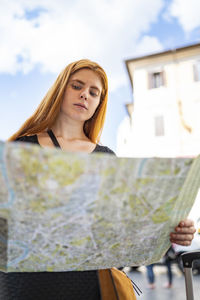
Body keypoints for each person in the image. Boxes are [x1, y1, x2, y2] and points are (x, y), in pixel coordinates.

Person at [2, 59, 195, 299]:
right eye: (77, 86)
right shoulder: (22, 146)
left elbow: (123, 229)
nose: (85, 95)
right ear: (61, 89)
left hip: (88, 286)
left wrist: (171, 229)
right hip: (24, 285)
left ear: (98, 104)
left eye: (94, 92)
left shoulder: (106, 158)